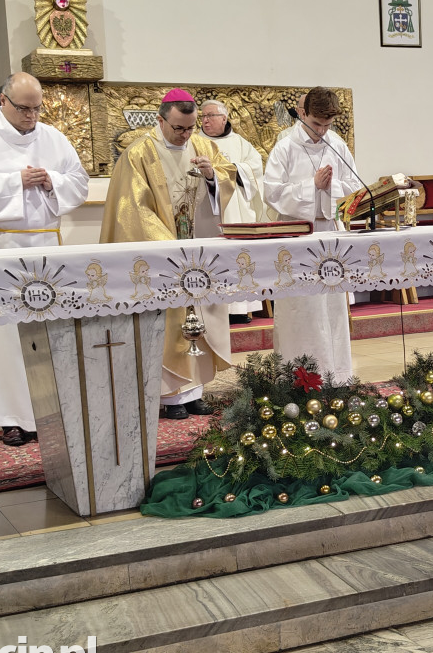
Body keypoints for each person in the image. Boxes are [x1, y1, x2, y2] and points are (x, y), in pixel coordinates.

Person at [0, 72, 89, 445]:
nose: (32, 116)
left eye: (36, 108)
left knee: (48, 331)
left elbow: (78, 181)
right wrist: (15, 180)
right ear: (2, 101)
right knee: (2, 334)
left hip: (45, 246)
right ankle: (10, 416)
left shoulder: (54, 137)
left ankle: (51, 409)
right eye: (23, 108)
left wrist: (52, 180)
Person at [100, 88, 237, 418]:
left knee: (200, 317)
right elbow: (131, 209)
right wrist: (171, 249)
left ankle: (194, 392)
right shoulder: (139, 154)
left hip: (197, 252)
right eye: (178, 128)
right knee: (167, 321)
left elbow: (227, 176)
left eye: (191, 128)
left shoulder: (204, 146)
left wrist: (211, 176)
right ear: (160, 120)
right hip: (164, 255)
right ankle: (167, 397)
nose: (186, 134)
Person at [262, 86, 357, 382]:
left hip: (329, 233)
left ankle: (337, 377)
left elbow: (353, 185)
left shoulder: (336, 144)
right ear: (302, 113)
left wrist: (330, 187)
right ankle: (299, 377)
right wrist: (311, 185)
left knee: (332, 311)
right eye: (316, 124)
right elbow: (271, 193)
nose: (322, 131)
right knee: (302, 312)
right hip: (296, 237)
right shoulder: (285, 147)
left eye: (328, 125)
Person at [199, 99, 269, 323]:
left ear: (224, 118)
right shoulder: (195, 142)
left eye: (210, 115)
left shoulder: (240, 143)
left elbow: (255, 167)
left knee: (237, 257)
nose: (205, 120)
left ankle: (239, 309)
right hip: (206, 210)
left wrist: (229, 170)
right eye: (203, 116)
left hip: (237, 211)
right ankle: (210, 310)